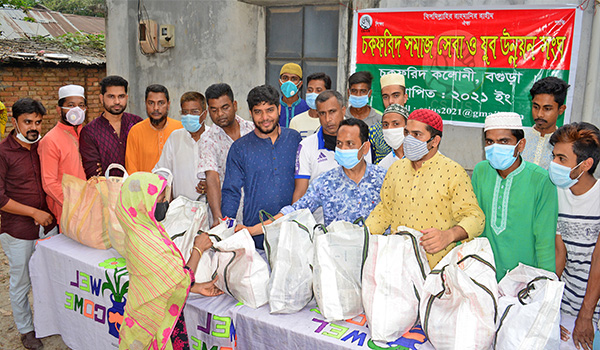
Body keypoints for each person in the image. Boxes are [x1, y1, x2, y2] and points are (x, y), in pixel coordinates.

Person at [115, 172, 222, 350]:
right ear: (143, 204)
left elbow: (158, 281)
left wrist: (196, 287)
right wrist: (198, 249)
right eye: (159, 199)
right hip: (155, 322)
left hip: (146, 313)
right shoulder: (147, 243)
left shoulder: (140, 231)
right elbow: (180, 277)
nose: (164, 204)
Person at [366, 109, 485, 269]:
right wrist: (363, 236)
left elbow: (475, 218)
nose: (409, 140)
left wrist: (448, 235)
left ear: (434, 141)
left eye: (417, 135)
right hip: (397, 266)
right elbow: (385, 210)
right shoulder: (395, 169)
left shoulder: (452, 172)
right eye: (407, 133)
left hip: (437, 269)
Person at [248, 119, 385, 233]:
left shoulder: (383, 179)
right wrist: (253, 230)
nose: (343, 149)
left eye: (350, 144)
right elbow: (294, 211)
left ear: (365, 148)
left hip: (374, 257)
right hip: (336, 258)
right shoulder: (326, 182)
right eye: (339, 144)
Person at [471, 112, 557, 281]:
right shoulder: (481, 171)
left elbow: (545, 240)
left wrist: (545, 283)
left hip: (523, 279)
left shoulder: (541, 180)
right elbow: (474, 219)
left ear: (520, 145)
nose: (495, 146)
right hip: (483, 274)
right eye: (489, 141)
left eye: (504, 141)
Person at [0, 98, 57, 350]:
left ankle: (50, 320)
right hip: (18, 231)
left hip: (48, 228)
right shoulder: (3, 152)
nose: (33, 127)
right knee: (21, 282)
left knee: (46, 277)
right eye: (27, 122)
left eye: (37, 122)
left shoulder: (42, 147)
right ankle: (26, 329)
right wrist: (34, 212)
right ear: (15, 122)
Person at [221, 85, 301, 249]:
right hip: (254, 236)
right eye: (258, 112)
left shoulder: (294, 139)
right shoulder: (240, 148)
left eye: (270, 110)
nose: (265, 117)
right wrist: (227, 228)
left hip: (292, 232)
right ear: (250, 113)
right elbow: (231, 192)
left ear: (279, 109)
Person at [551, 122, 600, 350]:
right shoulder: (558, 194)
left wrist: (586, 315)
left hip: (593, 309)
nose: (553, 164)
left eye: (562, 159)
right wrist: (550, 307)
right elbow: (559, 252)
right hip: (567, 304)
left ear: (586, 164)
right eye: (554, 157)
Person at [197, 83, 254, 225]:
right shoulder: (208, 139)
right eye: (214, 110)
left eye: (225, 108)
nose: (220, 114)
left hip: (255, 211)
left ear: (234, 105)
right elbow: (212, 178)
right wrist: (218, 217)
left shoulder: (253, 130)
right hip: (227, 215)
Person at [38, 85, 87, 223]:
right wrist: (74, 203)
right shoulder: (50, 140)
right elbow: (49, 183)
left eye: (81, 105)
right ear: (59, 109)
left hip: (91, 207)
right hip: (67, 211)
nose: (77, 110)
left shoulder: (88, 134)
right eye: (71, 105)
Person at [79, 75, 142, 178]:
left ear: (126, 97)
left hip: (138, 188)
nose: (117, 101)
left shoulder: (137, 123)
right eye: (111, 96)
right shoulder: (90, 131)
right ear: (101, 98)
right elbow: (93, 172)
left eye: (121, 96)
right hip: (105, 191)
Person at [153, 91, 209, 201]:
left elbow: (227, 175)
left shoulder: (214, 138)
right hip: (180, 211)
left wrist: (212, 184)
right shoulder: (175, 138)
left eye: (194, 112)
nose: (189, 116)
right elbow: (161, 173)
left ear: (204, 114)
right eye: (185, 112)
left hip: (209, 209)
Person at [125, 84, 182, 173]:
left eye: (161, 103)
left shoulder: (180, 129)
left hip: (176, 186)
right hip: (145, 186)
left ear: (168, 105)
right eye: (151, 103)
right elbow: (131, 169)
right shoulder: (135, 131)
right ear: (146, 104)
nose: (156, 108)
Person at [522, 76, 570, 169]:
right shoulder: (519, 137)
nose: (540, 114)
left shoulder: (565, 143)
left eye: (547, 109)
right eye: (536, 107)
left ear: (561, 109)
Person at [370, 73, 408, 163]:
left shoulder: (417, 130)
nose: (391, 101)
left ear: (405, 97)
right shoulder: (373, 131)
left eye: (396, 96)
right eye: (386, 97)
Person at [289, 72, 331, 139]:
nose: (313, 93)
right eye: (310, 90)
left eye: (318, 90)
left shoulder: (335, 120)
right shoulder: (296, 121)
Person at [378, 104, 409, 170]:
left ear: (407, 126)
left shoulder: (420, 158)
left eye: (396, 124)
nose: (389, 129)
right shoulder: (383, 166)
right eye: (385, 125)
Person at [278, 63, 310, 128]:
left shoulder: (307, 108)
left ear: (300, 84)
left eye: (294, 79)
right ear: (280, 82)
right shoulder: (273, 108)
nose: (289, 82)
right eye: (285, 78)